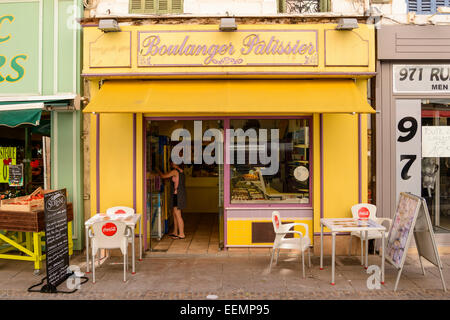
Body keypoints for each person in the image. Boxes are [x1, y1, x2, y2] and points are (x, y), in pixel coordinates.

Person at [158, 161, 186, 239]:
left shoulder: (174, 171)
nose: (171, 163)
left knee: (178, 214)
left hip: (177, 195)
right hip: (178, 194)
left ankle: (181, 233)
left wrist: (158, 170)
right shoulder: (181, 171)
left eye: (172, 162)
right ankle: (175, 232)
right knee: (174, 213)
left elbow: (163, 176)